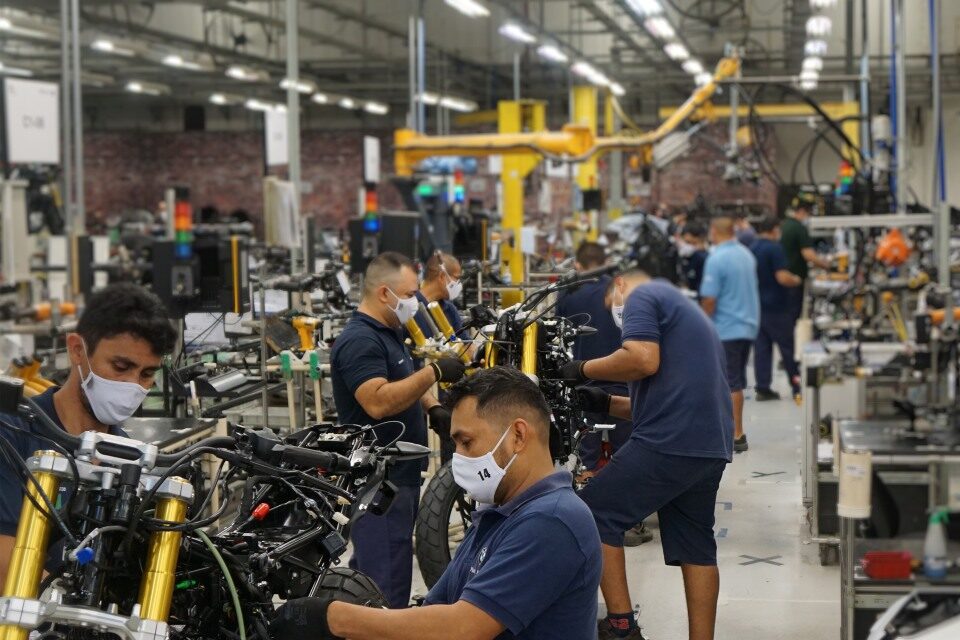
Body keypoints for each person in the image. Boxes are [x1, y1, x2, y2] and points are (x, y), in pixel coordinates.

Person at [271, 367, 602, 640]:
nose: (458, 457)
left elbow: (463, 627)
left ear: (518, 436)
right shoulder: (499, 513)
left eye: (466, 442)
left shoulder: (553, 521)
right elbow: (437, 606)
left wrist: (334, 617)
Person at [559, 269, 732, 640]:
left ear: (619, 284)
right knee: (696, 546)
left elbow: (641, 359)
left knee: (593, 514)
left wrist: (581, 369)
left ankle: (621, 628)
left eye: (609, 304)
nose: (615, 313)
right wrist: (606, 401)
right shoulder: (688, 315)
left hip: (670, 441)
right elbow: (668, 402)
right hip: (708, 444)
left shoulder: (642, 295)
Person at [0, 283, 177, 585]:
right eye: (121, 366)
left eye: (147, 374)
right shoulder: (13, 433)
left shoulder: (131, 459)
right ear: (77, 350)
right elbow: (4, 563)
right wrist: (65, 617)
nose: (133, 385)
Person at [330, 252, 466, 609]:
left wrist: (432, 406)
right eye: (408, 294)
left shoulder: (390, 333)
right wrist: (434, 373)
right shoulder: (360, 340)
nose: (414, 302)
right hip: (379, 482)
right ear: (384, 294)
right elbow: (376, 400)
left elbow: (402, 379)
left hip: (400, 475)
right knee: (385, 583)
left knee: (373, 575)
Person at [556, 241, 651, 546]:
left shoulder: (571, 294)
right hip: (624, 381)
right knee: (629, 452)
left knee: (585, 451)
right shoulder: (621, 292)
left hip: (584, 380)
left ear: (579, 266)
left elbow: (558, 332)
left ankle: (587, 519)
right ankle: (631, 522)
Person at [700, 216, 760, 453]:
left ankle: (736, 434)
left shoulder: (717, 258)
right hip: (747, 325)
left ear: (714, 231)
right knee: (735, 380)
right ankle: (732, 430)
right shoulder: (746, 254)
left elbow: (710, 299)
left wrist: (701, 324)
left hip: (726, 328)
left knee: (729, 382)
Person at [750, 217, 803, 401]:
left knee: (762, 349)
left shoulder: (752, 248)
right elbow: (782, 277)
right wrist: (796, 280)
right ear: (774, 229)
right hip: (777, 308)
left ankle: (763, 388)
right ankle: (796, 386)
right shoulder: (775, 248)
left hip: (758, 306)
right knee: (787, 348)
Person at [780, 194, 831, 326]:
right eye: (808, 212)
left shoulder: (785, 225)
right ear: (802, 211)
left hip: (784, 278)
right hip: (795, 279)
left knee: (785, 314)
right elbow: (808, 254)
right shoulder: (799, 228)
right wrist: (826, 265)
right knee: (793, 314)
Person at [678, 222, 709, 296]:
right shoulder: (686, 257)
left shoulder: (705, 259)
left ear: (700, 240)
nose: (687, 246)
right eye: (686, 242)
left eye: (691, 243)